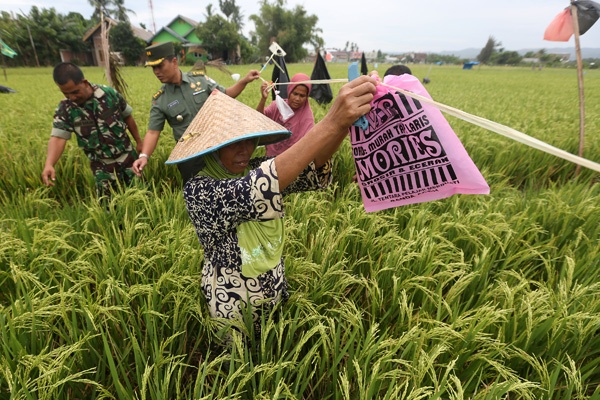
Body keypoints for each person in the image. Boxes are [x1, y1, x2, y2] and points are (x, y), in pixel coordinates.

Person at [169, 76, 377, 337]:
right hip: (233, 302)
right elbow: (260, 183)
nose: (244, 150)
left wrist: (342, 126)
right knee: (236, 364)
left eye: (248, 140)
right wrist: (332, 121)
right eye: (233, 143)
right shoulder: (199, 191)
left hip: (272, 288)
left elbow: (310, 166)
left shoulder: (250, 169)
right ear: (212, 147)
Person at [132, 42, 261, 183]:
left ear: (174, 62)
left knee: (227, 188)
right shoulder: (161, 99)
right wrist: (144, 156)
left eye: (160, 66)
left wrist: (244, 81)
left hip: (216, 149)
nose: (156, 72)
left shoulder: (200, 81)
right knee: (197, 196)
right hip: (190, 158)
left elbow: (226, 95)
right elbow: (152, 132)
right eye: (153, 68)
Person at [42, 62, 143, 198]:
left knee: (141, 196)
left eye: (75, 92)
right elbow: (58, 137)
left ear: (84, 82)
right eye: (66, 94)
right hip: (102, 167)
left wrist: (139, 141)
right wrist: (49, 164)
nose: (72, 97)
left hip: (129, 159)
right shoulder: (66, 109)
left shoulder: (109, 94)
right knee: (109, 207)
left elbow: (127, 117)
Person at [256, 72, 315, 157]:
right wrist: (263, 99)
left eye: (302, 96)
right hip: (270, 158)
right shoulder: (277, 106)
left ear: (307, 97)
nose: (297, 99)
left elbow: (305, 145)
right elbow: (259, 118)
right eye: (295, 94)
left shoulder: (307, 117)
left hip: (291, 160)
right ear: (289, 91)